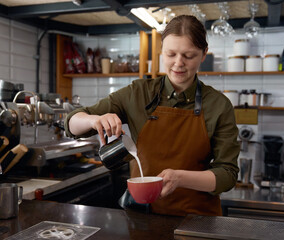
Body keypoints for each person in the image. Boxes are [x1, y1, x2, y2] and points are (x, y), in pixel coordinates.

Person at [65, 15, 240, 217]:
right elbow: (71, 122)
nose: (178, 63)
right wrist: (93, 120)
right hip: (144, 219)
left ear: (203, 55)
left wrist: (180, 178)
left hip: (197, 220)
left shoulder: (219, 105)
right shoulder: (138, 93)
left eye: (189, 55)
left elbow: (228, 174)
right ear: (161, 53)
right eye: (171, 54)